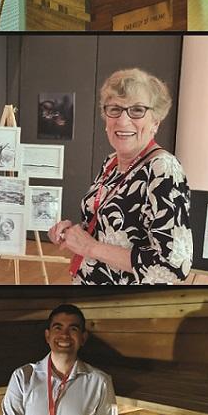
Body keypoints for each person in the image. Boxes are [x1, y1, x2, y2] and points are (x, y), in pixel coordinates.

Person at [49, 69, 192, 284]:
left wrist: (90, 247)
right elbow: (111, 227)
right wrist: (72, 234)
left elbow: (174, 265)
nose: (123, 121)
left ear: (156, 121)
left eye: (137, 110)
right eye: (115, 109)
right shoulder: (111, 162)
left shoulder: (163, 169)